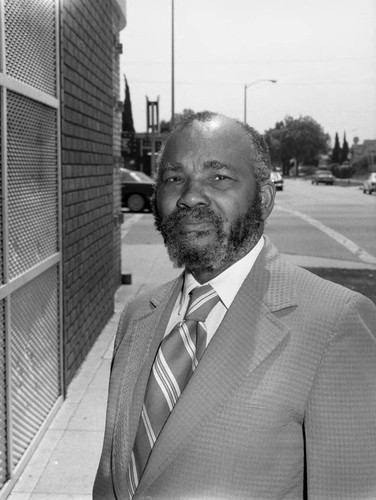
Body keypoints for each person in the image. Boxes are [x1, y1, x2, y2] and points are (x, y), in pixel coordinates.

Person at [93, 112, 376, 500]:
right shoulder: (137, 315)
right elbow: (113, 476)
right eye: (175, 178)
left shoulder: (335, 323)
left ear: (263, 198)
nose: (190, 196)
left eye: (218, 177)